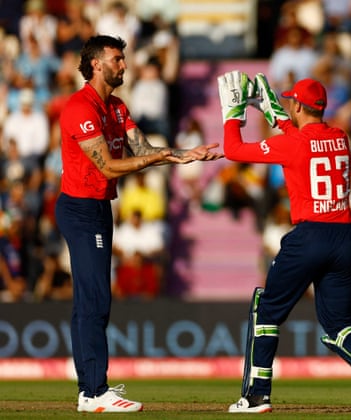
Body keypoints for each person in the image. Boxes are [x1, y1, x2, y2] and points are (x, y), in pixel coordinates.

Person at [55, 35, 222, 413]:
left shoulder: (115, 107)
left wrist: (181, 156)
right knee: (95, 299)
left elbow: (142, 150)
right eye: (117, 59)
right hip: (81, 209)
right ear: (96, 64)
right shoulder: (80, 107)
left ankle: (89, 390)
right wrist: (161, 156)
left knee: (88, 301)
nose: (124, 66)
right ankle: (96, 392)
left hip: (98, 207)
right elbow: (109, 165)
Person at [217, 71, 351, 414]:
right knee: (338, 326)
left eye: (291, 102)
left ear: (298, 106)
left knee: (266, 311)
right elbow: (303, 137)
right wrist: (273, 112)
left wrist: (233, 115)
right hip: (344, 237)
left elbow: (233, 150)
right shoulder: (341, 137)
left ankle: (257, 396)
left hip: (309, 235)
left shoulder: (294, 142)